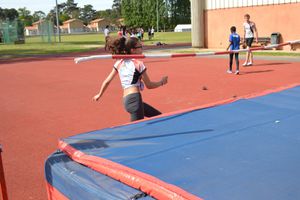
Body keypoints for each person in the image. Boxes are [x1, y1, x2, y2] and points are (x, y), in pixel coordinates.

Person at [93, 37, 168, 122]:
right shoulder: (138, 64)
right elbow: (149, 85)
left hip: (127, 100)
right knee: (136, 129)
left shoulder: (119, 63)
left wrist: (99, 94)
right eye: (140, 47)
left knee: (159, 117)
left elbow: (107, 81)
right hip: (135, 100)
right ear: (133, 50)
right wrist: (162, 82)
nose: (142, 49)